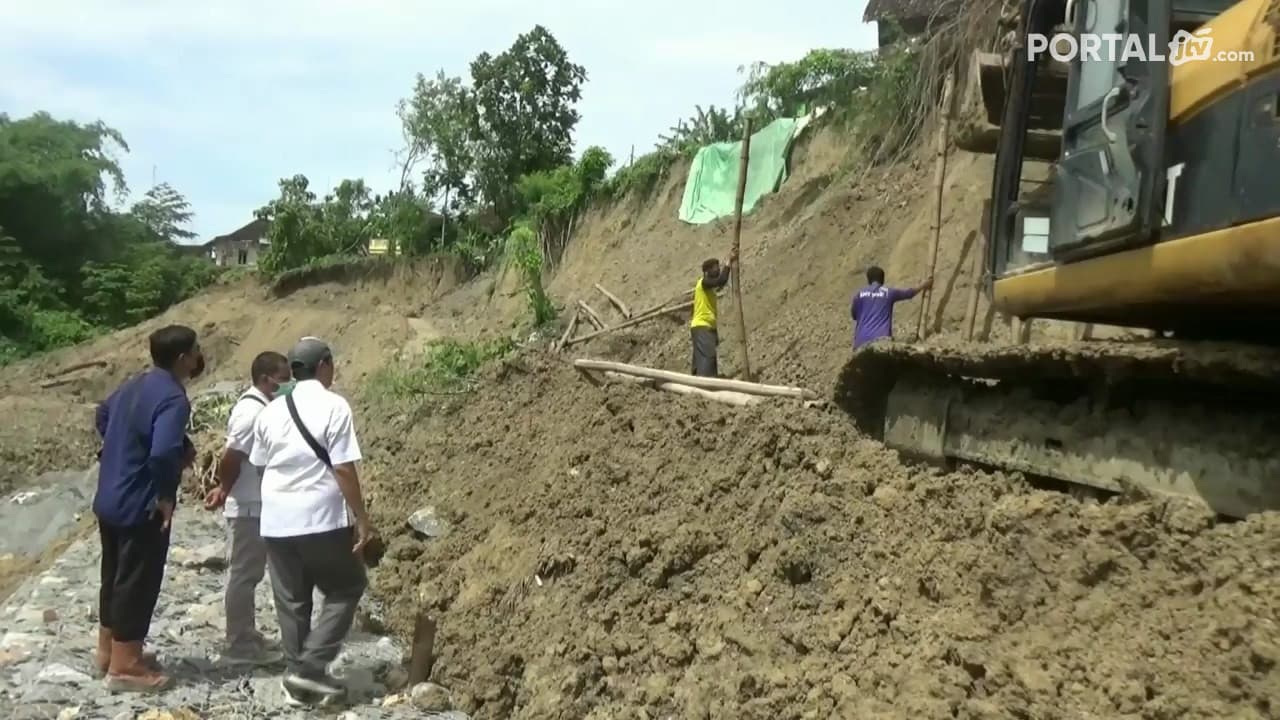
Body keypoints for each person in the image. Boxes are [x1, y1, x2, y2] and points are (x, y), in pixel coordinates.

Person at [250, 337, 379, 705]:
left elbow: (261, 465)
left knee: (291, 599)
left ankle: (298, 681)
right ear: (324, 365)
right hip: (321, 518)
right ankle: (309, 669)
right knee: (346, 588)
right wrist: (362, 517)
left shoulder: (271, 410)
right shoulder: (333, 405)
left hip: (275, 519)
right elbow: (342, 467)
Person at [93, 324, 204, 692]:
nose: (198, 356)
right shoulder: (173, 397)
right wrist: (165, 496)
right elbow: (161, 453)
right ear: (182, 358)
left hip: (109, 494)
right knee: (138, 579)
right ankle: (126, 667)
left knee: (114, 572)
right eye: (195, 351)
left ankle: (109, 652)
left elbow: (103, 416)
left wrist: (123, 449)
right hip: (140, 502)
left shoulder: (133, 385)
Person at [203, 351, 292, 666]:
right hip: (247, 506)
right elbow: (232, 456)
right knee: (243, 573)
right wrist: (224, 489)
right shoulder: (250, 412)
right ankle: (238, 640)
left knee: (252, 573)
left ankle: (246, 631)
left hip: (260, 504)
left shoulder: (265, 408)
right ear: (266, 379)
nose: (288, 384)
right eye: (283, 379)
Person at [851, 265, 933, 349]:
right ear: (882, 280)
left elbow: (854, 316)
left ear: (868, 280)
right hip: (881, 342)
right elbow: (909, 293)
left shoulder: (859, 295)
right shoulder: (889, 293)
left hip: (860, 343)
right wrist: (924, 285)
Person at [690, 251, 737, 377]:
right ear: (706, 272)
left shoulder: (709, 288)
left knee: (702, 361)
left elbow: (720, 282)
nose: (717, 269)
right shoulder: (704, 283)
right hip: (702, 326)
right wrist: (728, 264)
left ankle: (697, 385)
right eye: (714, 268)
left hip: (705, 327)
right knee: (707, 360)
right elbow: (721, 281)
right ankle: (706, 387)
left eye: (718, 267)